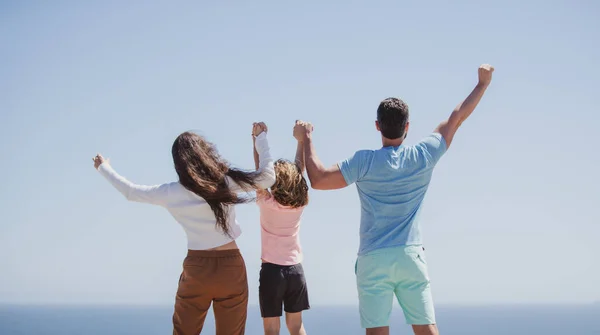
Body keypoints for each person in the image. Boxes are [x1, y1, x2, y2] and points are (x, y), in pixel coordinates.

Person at [295, 64, 495, 335]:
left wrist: (306, 138)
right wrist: (482, 84)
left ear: (377, 126)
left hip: (374, 258)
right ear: (408, 127)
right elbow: (456, 118)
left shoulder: (363, 161)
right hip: (410, 255)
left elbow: (317, 179)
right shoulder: (423, 155)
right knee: (426, 329)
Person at [92, 122, 276, 335]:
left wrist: (103, 167)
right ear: (206, 155)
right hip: (231, 268)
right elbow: (267, 178)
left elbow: (130, 192)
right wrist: (261, 138)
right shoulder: (224, 182)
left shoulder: (171, 192)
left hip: (197, 269)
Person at [252, 122, 311, 335]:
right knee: (296, 326)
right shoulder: (300, 203)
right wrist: (301, 141)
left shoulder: (267, 202)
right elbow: (299, 168)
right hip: (295, 270)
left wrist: (257, 139)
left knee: (271, 329)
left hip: (272, 272)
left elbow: (261, 172)